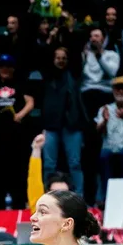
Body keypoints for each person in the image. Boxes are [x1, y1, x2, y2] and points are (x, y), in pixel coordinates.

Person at [0, 54, 34, 208]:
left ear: (13, 68)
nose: (5, 69)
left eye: (8, 66)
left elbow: (30, 102)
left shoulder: (20, 83)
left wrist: (20, 115)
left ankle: (18, 203)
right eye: (2, 67)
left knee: (17, 170)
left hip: (16, 135)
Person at [41, 47, 86, 197]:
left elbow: (76, 59)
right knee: (49, 165)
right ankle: (47, 197)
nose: (60, 61)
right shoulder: (47, 75)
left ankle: (79, 197)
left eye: (64, 58)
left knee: (75, 163)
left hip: (71, 125)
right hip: (51, 125)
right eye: (57, 58)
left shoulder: (73, 75)